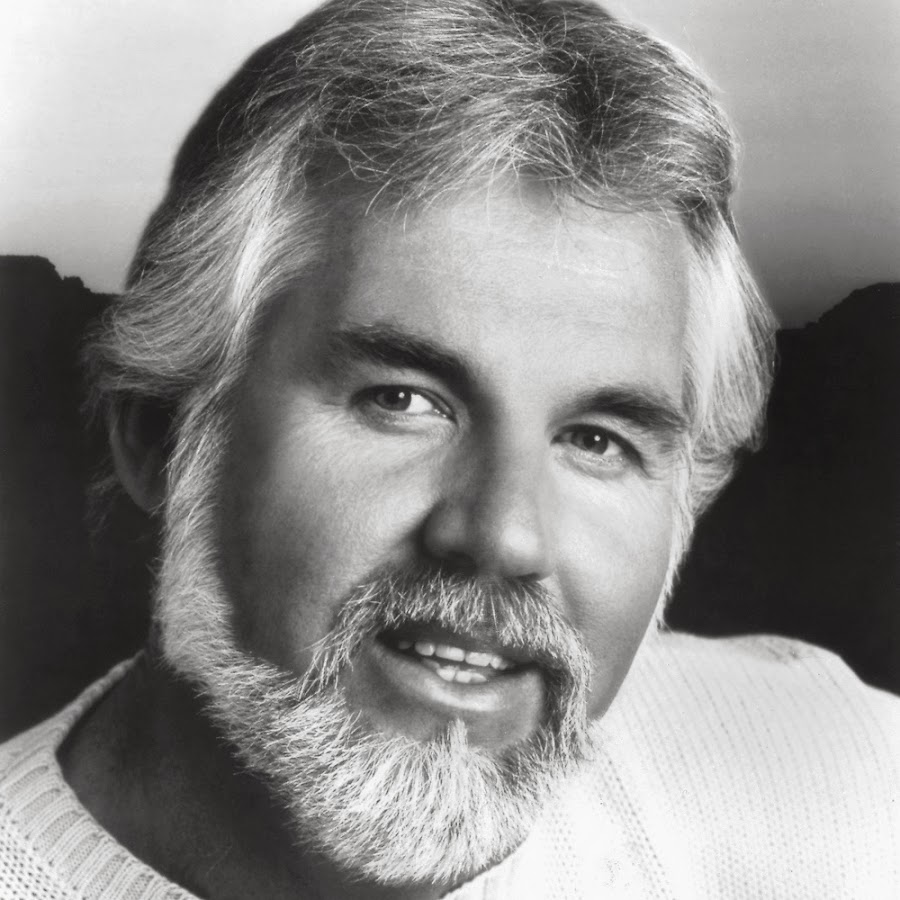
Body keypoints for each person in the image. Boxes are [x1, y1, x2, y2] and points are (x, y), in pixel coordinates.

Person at [1, 0, 897, 897]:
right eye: (402, 401)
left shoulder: (839, 785)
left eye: (596, 439)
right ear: (161, 433)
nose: (504, 535)